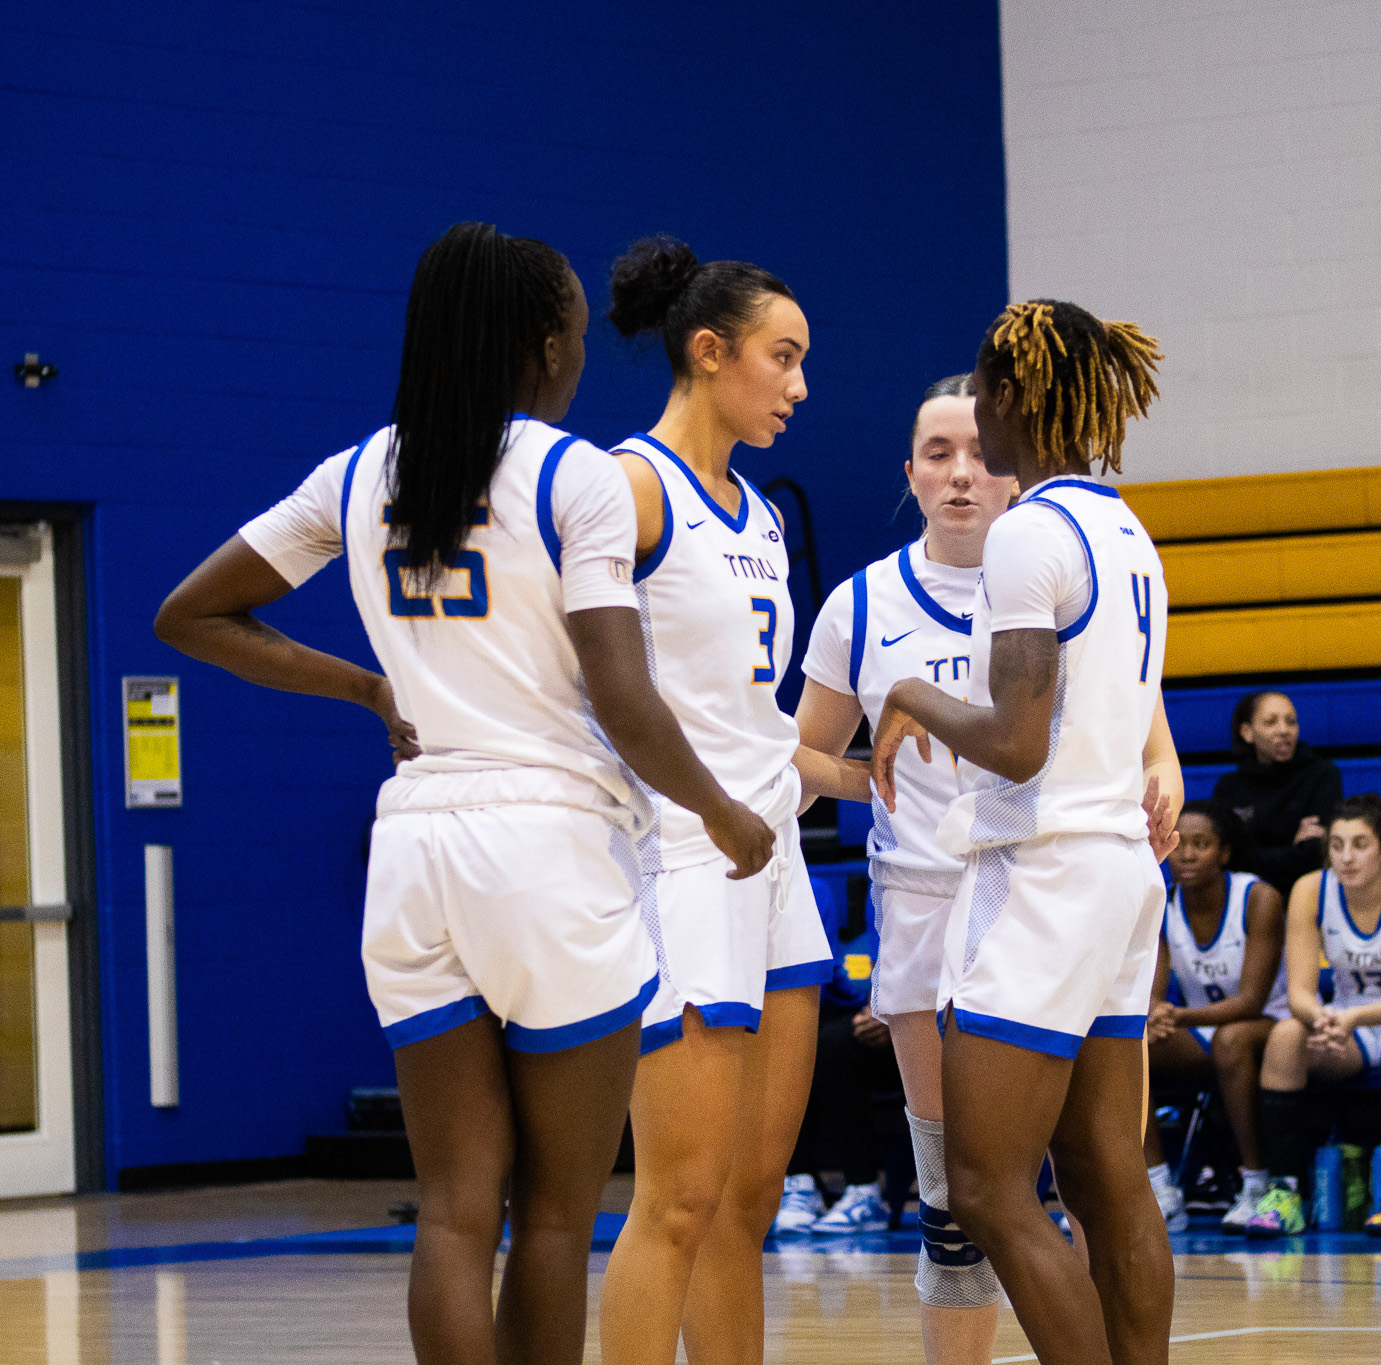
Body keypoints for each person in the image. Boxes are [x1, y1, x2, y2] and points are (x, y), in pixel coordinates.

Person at [153, 221, 775, 1365]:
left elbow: (189, 613)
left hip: (414, 853)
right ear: (544, 344)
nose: (583, 357)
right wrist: (723, 811)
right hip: (547, 850)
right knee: (551, 1212)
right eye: (579, 336)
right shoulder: (572, 473)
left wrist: (363, 686)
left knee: (450, 1211)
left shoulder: (356, 471)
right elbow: (626, 700)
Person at [869, 299, 1184, 1365]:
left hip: (1042, 874)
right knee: (1106, 1175)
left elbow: (1011, 741)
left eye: (981, 392)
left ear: (1011, 396)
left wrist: (910, 691)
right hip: (1119, 877)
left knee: (987, 1187)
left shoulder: (1027, 534)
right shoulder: (1124, 527)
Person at [598, 235, 871, 1365]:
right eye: (782, 357)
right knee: (675, 1202)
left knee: (750, 1206)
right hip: (681, 864)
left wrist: (860, 774)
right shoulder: (625, 485)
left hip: (776, 871)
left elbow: (757, 726)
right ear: (708, 353)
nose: (800, 386)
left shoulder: (757, 512)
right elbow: (593, 689)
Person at [794, 372, 1016, 1365]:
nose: (961, 474)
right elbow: (799, 758)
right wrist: (872, 778)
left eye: (980, 453)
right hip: (923, 905)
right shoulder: (860, 602)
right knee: (951, 1202)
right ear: (910, 474)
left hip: (1038, 902)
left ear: (1014, 472)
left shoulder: (1056, 578)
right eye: (938, 454)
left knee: (1083, 1176)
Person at [1246, 794, 1381, 1239]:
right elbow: (1299, 992)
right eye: (1337, 845)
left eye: (1360, 844)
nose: (1346, 857)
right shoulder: (1310, 888)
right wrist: (1321, 1018)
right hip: (1352, 1024)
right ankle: (1283, 1193)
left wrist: (1349, 1019)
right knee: (1287, 1035)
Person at [1142, 802, 1289, 1234]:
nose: (1187, 855)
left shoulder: (1258, 897)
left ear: (1224, 852)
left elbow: (1251, 1001)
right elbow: (1152, 987)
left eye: (1201, 845)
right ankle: (1158, 1188)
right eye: (1180, 845)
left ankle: (1255, 1184)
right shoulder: (1163, 900)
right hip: (1201, 1027)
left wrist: (1178, 1014)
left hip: (1272, 1025)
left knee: (1232, 1040)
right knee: (1131, 1043)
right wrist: (1155, 1013)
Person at [777, 878, 903, 1237]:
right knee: (821, 1041)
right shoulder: (888, 875)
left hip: (946, 1019)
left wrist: (891, 1009)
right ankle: (810, 1186)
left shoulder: (808, 889)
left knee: (817, 1034)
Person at [1210, 690, 1344, 892]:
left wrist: (1256, 853)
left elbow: (1315, 855)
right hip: (1246, 898)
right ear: (1247, 732)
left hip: (1307, 893)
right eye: (1271, 722)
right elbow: (1228, 860)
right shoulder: (1229, 787)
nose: (1284, 730)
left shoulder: (1322, 776)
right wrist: (1291, 848)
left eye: (1291, 721)